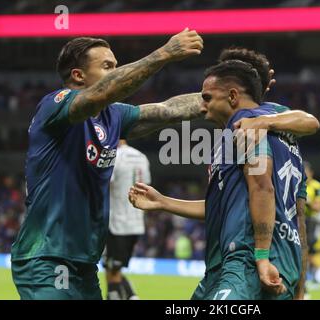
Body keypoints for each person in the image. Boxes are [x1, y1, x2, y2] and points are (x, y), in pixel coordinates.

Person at [10, 29, 205, 300]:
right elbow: (103, 92)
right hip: (46, 256)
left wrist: (236, 95)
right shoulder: (55, 106)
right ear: (78, 76)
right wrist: (164, 54)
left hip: (85, 262)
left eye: (116, 66)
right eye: (108, 66)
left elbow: (169, 110)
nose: (117, 71)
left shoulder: (113, 114)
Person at [129, 59, 319, 300]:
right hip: (242, 264)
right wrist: (163, 202)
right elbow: (225, 207)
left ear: (232, 96)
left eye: (207, 97)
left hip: (249, 262)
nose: (200, 105)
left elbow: (262, 188)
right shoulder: (277, 131)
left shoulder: (248, 125)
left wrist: (261, 258)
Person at [103, 139, 151, 300]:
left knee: (112, 270)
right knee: (115, 267)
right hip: (136, 222)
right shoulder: (142, 157)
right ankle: (131, 296)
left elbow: (105, 184)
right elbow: (146, 187)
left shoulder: (114, 156)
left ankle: (115, 296)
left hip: (117, 222)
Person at [304, 161, 320, 292]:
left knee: (312, 253)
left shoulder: (318, 187)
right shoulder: (296, 184)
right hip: (299, 221)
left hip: (314, 223)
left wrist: (305, 200)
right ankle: (308, 280)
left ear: (311, 173)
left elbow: (319, 207)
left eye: (306, 171)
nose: (304, 174)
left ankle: (313, 279)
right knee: (305, 253)